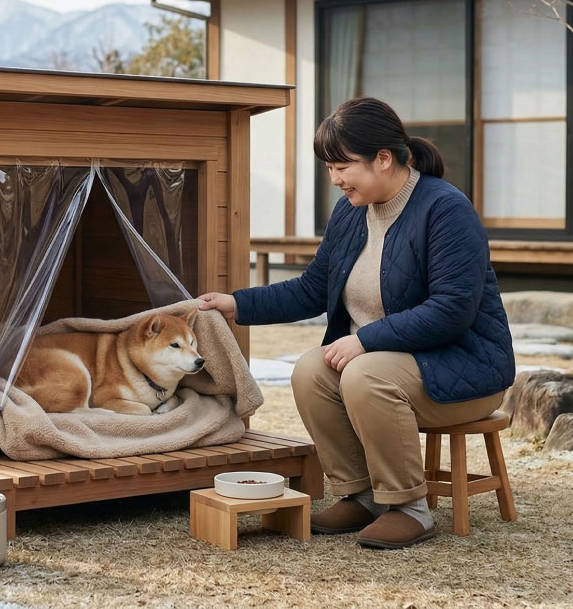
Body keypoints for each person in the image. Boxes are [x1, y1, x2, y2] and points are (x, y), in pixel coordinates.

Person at [197, 97, 515, 550]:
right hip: (389, 365)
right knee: (310, 370)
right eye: (329, 168)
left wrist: (365, 339)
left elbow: (451, 309)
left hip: (463, 368)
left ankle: (409, 508)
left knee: (363, 373)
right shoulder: (350, 212)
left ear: (383, 159)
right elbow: (313, 288)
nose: (335, 179)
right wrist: (236, 304)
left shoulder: (446, 209)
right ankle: (360, 495)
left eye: (342, 166)